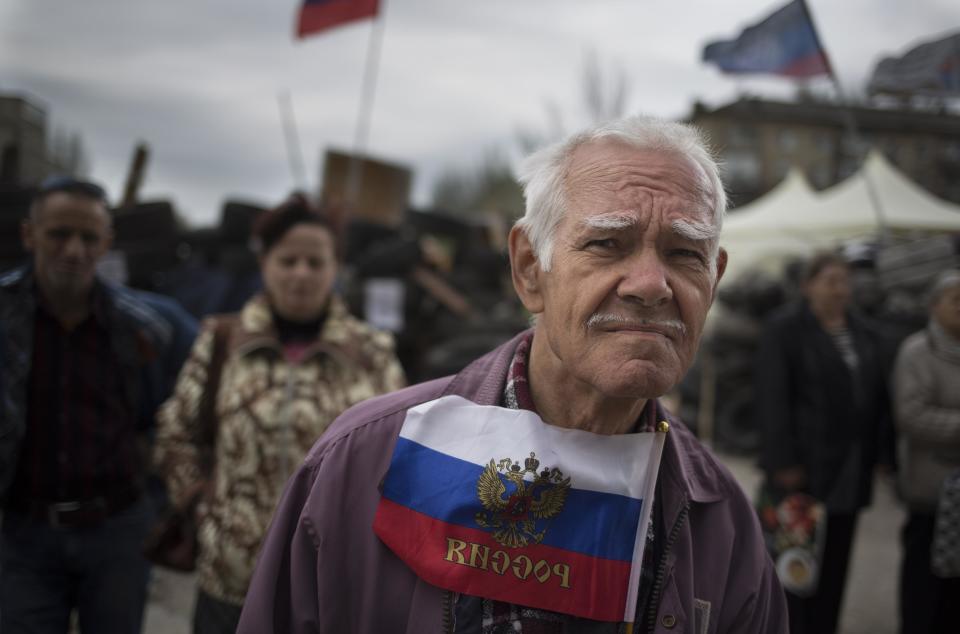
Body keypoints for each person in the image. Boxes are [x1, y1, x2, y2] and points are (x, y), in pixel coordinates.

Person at [236, 116, 789, 633]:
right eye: (606, 243)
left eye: (684, 252)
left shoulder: (724, 526)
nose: (650, 283)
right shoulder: (361, 463)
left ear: (713, 281)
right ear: (529, 268)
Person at [153, 194, 406, 634]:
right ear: (265, 264)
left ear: (335, 268)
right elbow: (177, 432)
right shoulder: (221, 342)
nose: (301, 274)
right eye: (288, 260)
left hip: (330, 583)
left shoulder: (371, 353)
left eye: (315, 261)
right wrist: (201, 507)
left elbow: (402, 452)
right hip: (230, 580)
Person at [0, 176, 197, 633]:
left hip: (118, 531)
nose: (74, 250)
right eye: (58, 234)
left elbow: (206, 381)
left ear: (107, 243)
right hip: (24, 530)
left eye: (89, 238)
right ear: (29, 235)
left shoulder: (148, 325)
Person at [756, 250, 892, 634]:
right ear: (808, 286)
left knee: (836, 563)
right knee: (794, 565)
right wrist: (783, 461)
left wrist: (883, 454)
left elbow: (879, 398)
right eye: (830, 280)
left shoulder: (864, 332)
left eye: (845, 281)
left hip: (850, 466)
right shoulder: (785, 329)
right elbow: (772, 398)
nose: (839, 289)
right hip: (801, 468)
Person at [894, 269, 960, 634]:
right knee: (925, 593)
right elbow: (911, 416)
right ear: (935, 306)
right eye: (956, 300)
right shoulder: (917, 352)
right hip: (930, 493)